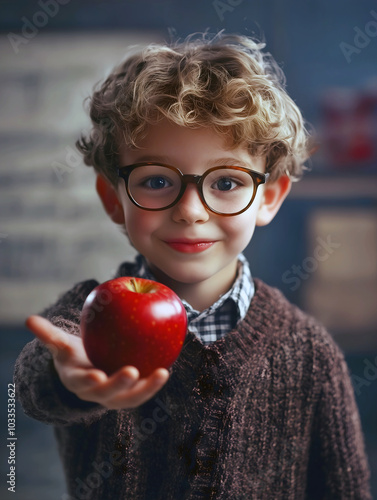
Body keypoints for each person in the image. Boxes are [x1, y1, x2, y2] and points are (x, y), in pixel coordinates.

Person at [14, 33, 372, 499]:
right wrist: (70, 380)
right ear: (112, 199)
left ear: (268, 198)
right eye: (158, 180)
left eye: (225, 181)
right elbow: (37, 379)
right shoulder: (89, 316)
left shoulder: (309, 351)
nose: (191, 211)